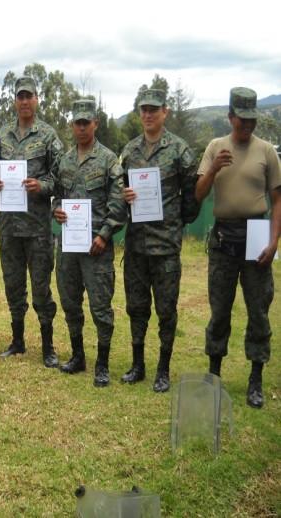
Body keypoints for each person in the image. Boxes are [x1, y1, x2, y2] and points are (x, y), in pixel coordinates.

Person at [196, 87, 281, 409]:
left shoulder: (267, 151)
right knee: (220, 310)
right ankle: (214, 374)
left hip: (257, 235)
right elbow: (199, 194)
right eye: (241, 120)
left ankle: (255, 378)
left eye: (251, 120)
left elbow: (277, 199)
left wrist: (274, 241)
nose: (247, 126)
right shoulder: (215, 147)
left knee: (258, 310)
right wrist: (215, 167)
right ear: (230, 117)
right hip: (223, 240)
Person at [120, 88, 199, 392]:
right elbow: (119, 192)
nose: (149, 115)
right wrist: (125, 197)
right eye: (144, 110)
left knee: (166, 310)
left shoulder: (179, 150)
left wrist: (177, 223)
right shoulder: (129, 151)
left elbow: (192, 198)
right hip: (137, 245)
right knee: (136, 307)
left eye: (154, 109)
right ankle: (137, 365)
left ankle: (163, 369)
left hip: (165, 246)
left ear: (165, 112)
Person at [53, 100, 127, 386]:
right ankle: (78, 356)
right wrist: (56, 210)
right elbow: (58, 196)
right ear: (72, 125)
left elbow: (118, 203)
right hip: (69, 246)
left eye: (86, 122)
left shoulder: (108, 160)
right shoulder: (66, 160)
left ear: (95, 123)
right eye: (77, 123)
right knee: (70, 302)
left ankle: (103, 364)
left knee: (100, 307)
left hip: (97, 247)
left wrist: (104, 235)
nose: (81, 127)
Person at [0, 76, 63, 368]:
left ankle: (47, 346)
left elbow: (60, 177)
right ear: (14, 100)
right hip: (9, 227)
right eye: (19, 96)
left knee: (41, 287)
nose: (23, 101)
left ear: (36, 99)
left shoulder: (48, 136)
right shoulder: (3, 135)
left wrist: (42, 186)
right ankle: (17, 340)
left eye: (28, 96)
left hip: (37, 228)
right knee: (13, 285)